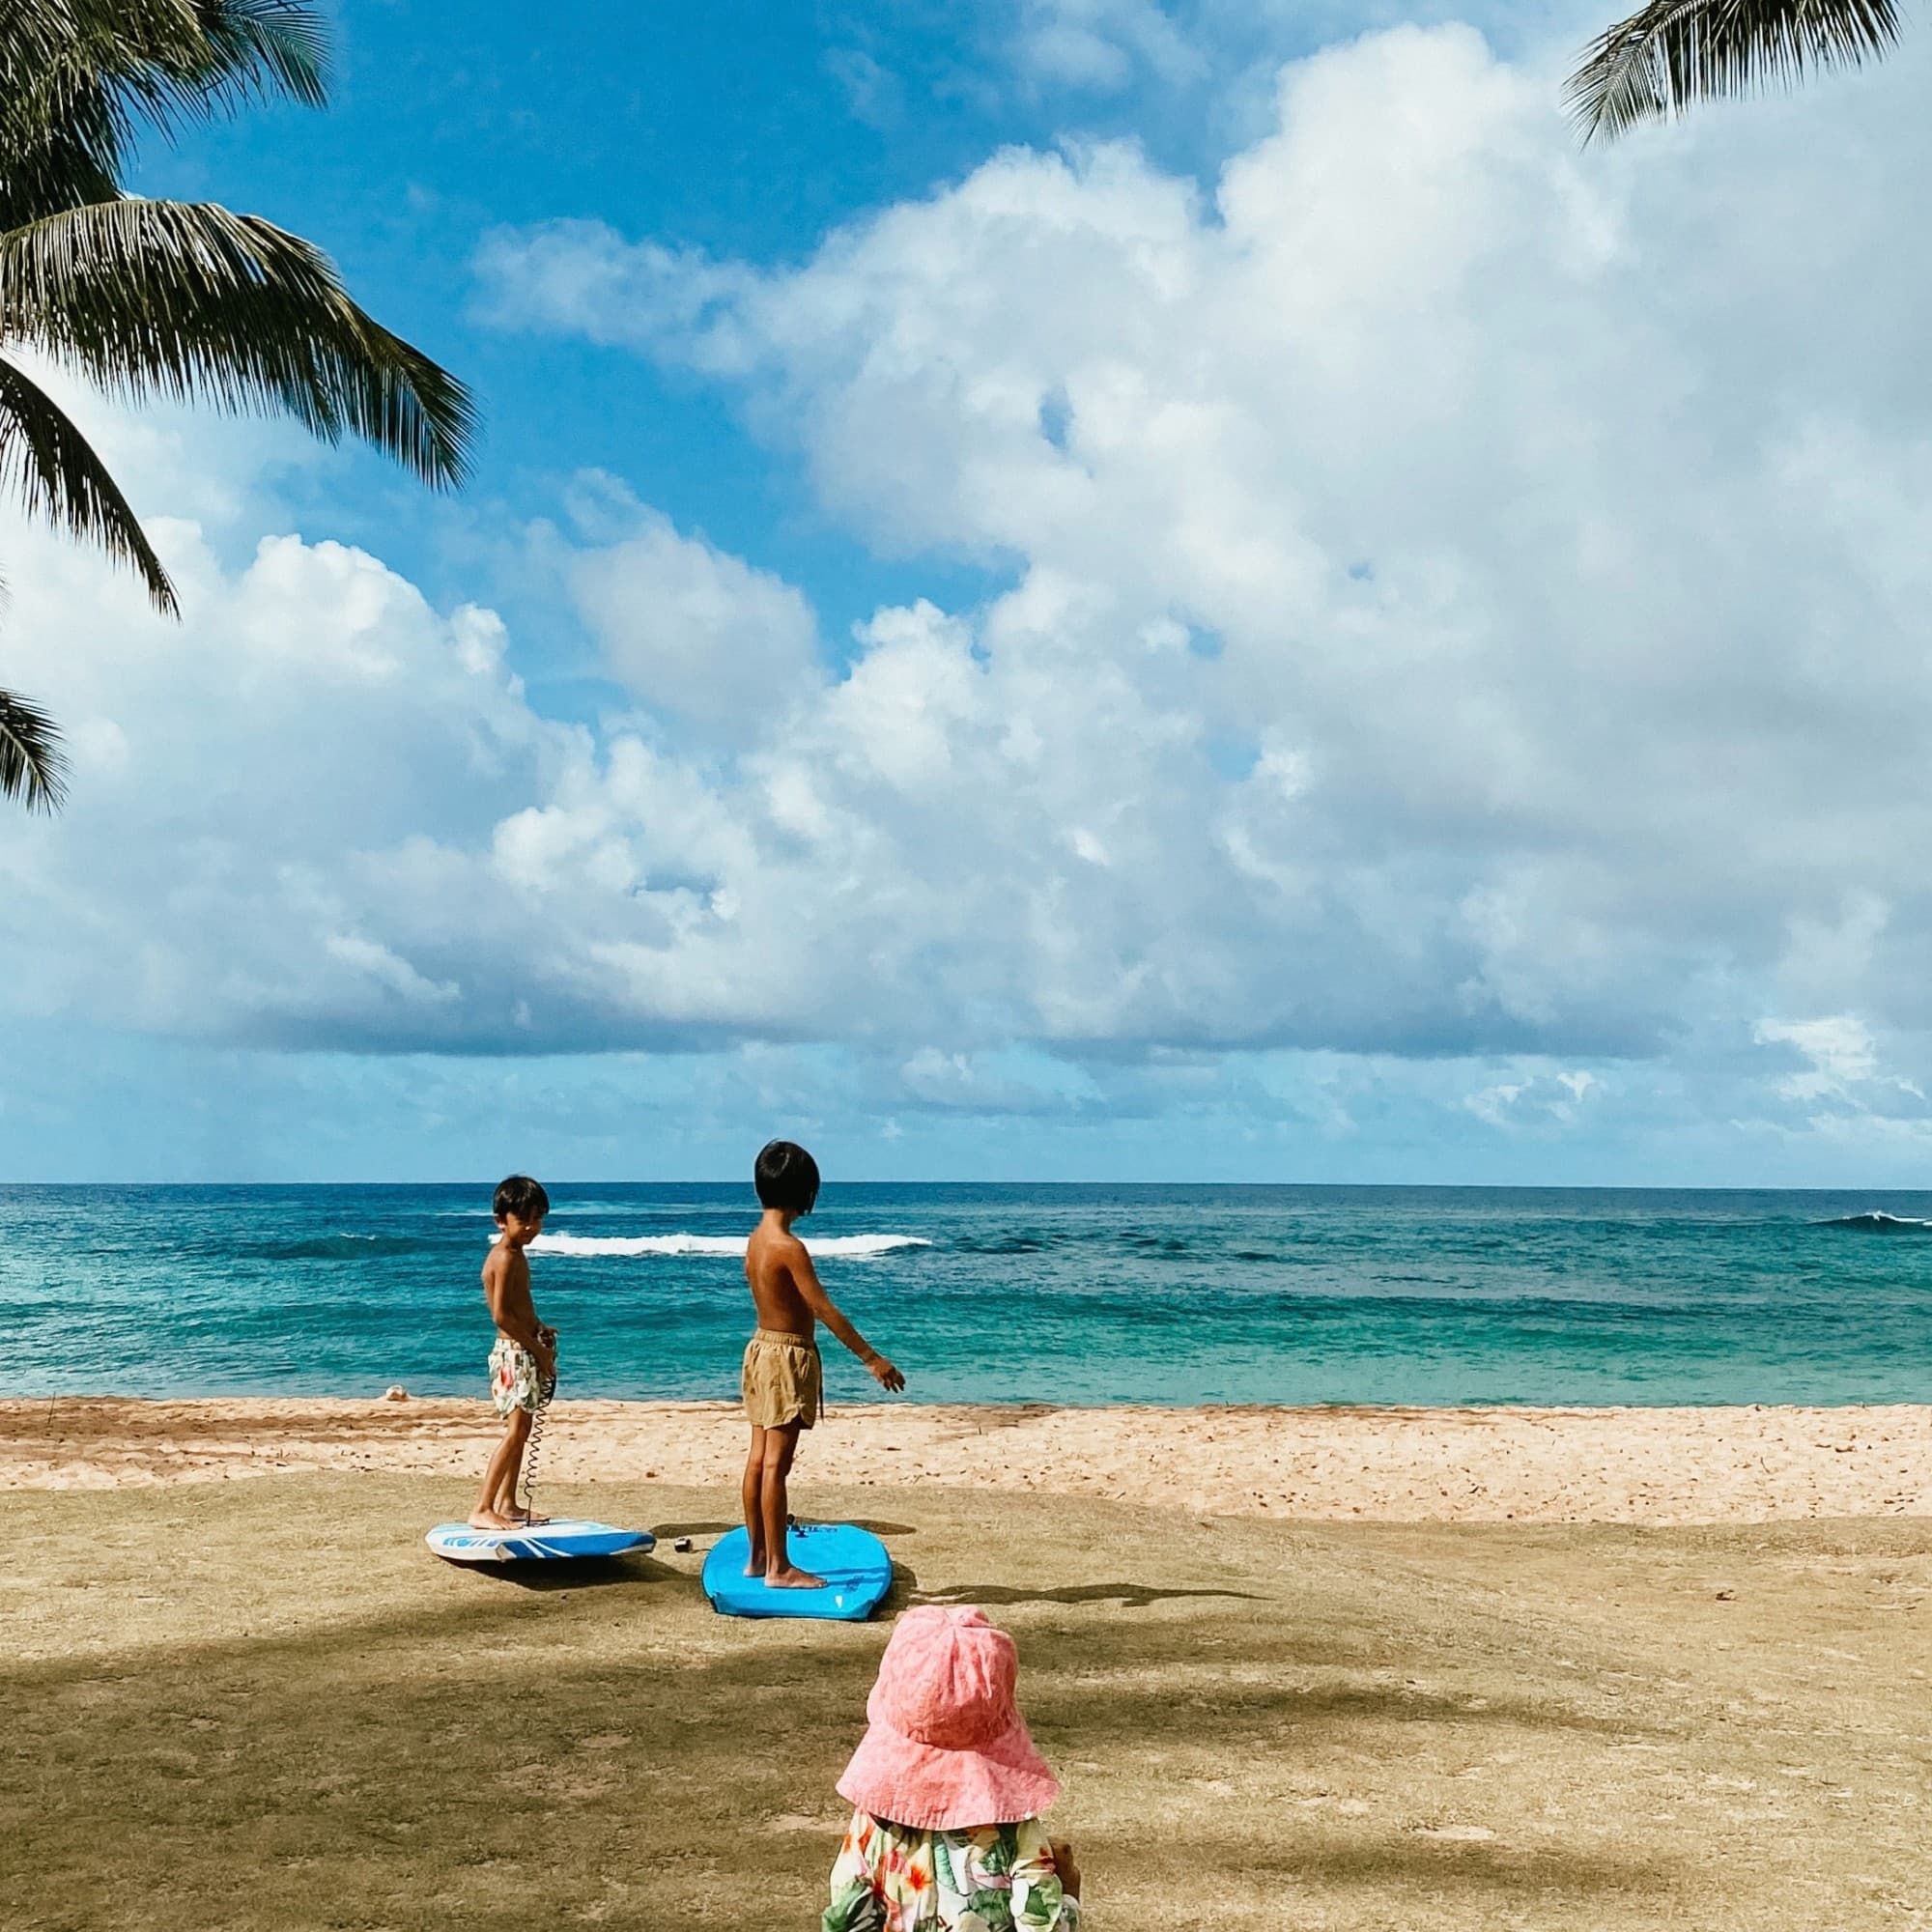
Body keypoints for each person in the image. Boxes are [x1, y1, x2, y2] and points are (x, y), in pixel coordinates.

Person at [822, 1605, 1082, 1931]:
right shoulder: (1015, 1829)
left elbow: (845, 1918)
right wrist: (1070, 1895)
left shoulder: (872, 1823)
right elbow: (1042, 1924)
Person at [742, 1138, 904, 1587]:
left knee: (758, 1460)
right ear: (804, 1192)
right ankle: (778, 1567)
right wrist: (871, 1358)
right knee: (776, 1464)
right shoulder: (788, 1247)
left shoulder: (756, 1240)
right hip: (786, 1357)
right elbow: (824, 1309)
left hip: (759, 1348)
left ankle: (757, 1557)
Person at [469, 1173, 557, 1530]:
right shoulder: (504, 1258)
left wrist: (539, 1327)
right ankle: (483, 1506)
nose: (532, 1227)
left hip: (522, 1348)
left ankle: (508, 1502)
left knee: (522, 1429)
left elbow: (522, 1305)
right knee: (515, 1431)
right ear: (501, 1221)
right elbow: (501, 1313)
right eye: (524, 1220)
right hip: (513, 1355)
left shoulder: (517, 1254)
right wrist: (538, 1350)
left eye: (538, 1219)